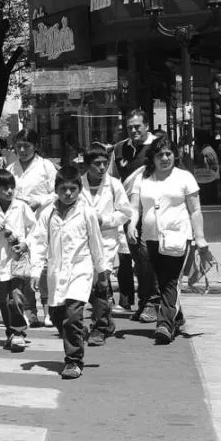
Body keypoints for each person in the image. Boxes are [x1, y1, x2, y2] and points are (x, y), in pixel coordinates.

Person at [127, 134, 214, 345]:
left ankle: (164, 324)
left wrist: (200, 238)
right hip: (151, 238)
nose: (165, 158)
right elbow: (135, 206)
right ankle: (177, 316)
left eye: (168, 154)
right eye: (160, 155)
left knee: (171, 279)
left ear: (175, 155)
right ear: (152, 158)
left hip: (178, 237)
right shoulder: (143, 178)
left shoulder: (184, 178)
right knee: (163, 280)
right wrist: (131, 224)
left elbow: (195, 211)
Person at [29, 165, 110, 380]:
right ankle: (77, 333)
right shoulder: (47, 213)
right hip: (56, 271)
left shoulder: (87, 212)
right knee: (57, 316)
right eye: (63, 189)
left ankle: (74, 361)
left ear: (79, 190)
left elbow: (96, 242)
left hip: (80, 270)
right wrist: (35, 272)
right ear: (56, 189)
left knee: (73, 313)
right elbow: (38, 243)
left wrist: (101, 271)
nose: (68, 194)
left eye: (72, 189)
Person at [0, 169, 36, 352]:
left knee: (16, 297)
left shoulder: (21, 206)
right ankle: (10, 332)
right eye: (5, 188)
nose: (9, 192)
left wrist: (25, 244)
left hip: (17, 257)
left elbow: (35, 228)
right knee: (3, 299)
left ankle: (19, 333)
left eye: (12, 188)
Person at [81, 145, 133, 347]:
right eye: (97, 164)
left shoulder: (114, 185)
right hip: (82, 243)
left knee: (101, 282)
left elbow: (125, 212)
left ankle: (99, 328)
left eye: (105, 163)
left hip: (106, 241)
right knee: (88, 284)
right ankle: (107, 321)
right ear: (87, 165)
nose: (102, 168)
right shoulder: (77, 184)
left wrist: (105, 220)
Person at [111, 109, 159, 320]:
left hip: (153, 211)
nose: (133, 130)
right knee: (138, 260)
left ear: (146, 125)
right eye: (130, 127)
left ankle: (153, 302)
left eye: (137, 126)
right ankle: (144, 301)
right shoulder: (120, 149)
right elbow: (112, 180)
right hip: (129, 214)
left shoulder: (158, 147)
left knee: (149, 257)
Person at [8, 129, 58, 327]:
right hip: (20, 225)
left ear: (36, 146)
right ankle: (29, 310)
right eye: (18, 146)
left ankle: (49, 309)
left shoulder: (46, 167)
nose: (22, 150)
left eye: (27, 146)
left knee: (44, 266)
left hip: (42, 222)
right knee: (24, 268)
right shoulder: (11, 168)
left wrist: (39, 201)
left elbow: (58, 192)